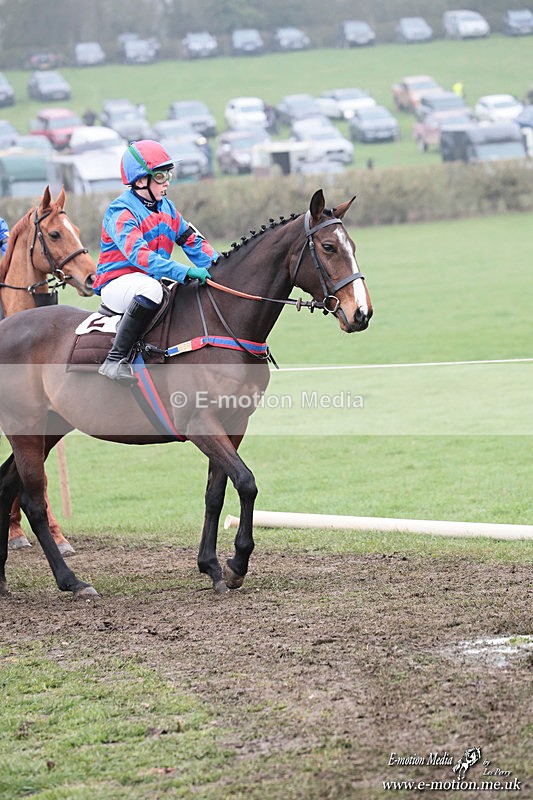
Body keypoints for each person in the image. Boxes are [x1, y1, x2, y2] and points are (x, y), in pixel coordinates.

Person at [93, 139, 219, 382]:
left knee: (186, 294)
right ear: (141, 180)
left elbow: (192, 241)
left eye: (168, 175)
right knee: (152, 289)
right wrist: (186, 271)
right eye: (160, 176)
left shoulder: (168, 208)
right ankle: (114, 360)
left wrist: (222, 265)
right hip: (116, 283)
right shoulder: (120, 211)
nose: (167, 182)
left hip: (147, 281)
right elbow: (140, 257)